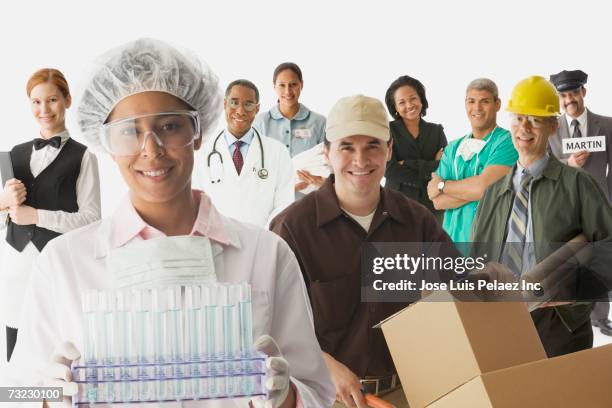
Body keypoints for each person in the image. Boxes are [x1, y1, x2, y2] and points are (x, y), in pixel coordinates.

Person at [5, 38, 335, 408]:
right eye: (129, 130)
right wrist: (48, 398)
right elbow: (13, 393)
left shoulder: (268, 254)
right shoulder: (63, 262)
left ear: (197, 133)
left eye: (169, 126)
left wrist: (286, 396)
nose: (151, 149)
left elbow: (319, 392)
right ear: (107, 141)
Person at [270, 95, 454, 408]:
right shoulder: (292, 229)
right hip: (325, 396)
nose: (361, 160)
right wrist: (325, 365)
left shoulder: (417, 221)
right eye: (347, 147)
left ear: (389, 150)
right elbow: (269, 323)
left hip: (407, 392)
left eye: (372, 145)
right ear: (327, 152)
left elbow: (458, 285)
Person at [472, 75, 612, 357]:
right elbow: (476, 257)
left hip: (560, 322)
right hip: (502, 319)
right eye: (518, 118)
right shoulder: (493, 193)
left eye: (535, 120)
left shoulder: (577, 184)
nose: (524, 128)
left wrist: (570, 291)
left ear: (552, 126)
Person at [0, 68, 100, 363]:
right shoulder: (12, 156)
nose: (44, 109)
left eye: (52, 99)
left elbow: (92, 220)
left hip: (60, 270)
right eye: (36, 101)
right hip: (15, 275)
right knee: (18, 369)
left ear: (67, 100)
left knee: (58, 361)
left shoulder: (83, 156)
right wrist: (3, 202)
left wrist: (37, 216)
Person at [548, 69, 612, 336]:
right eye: (563, 95)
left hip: (601, 205)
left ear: (583, 92)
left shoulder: (607, 124)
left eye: (573, 93)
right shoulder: (551, 128)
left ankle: (600, 318)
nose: (569, 99)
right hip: (567, 206)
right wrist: (569, 163)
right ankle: (574, 317)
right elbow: (547, 167)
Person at [427, 78, 518, 243]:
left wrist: (442, 185)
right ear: (465, 104)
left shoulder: (508, 142)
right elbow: (438, 201)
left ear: (497, 104)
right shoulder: (452, 149)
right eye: (471, 101)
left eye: (485, 101)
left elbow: (484, 188)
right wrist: (478, 190)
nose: (477, 108)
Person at [201, 79, 294, 226]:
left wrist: (261, 238)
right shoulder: (202, 153)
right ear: (224, 104)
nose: (240, 111)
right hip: (217, 243)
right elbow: (196, 205)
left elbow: (284, 205)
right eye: (234, 102)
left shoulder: (278, 152)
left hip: (262, 242)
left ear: (257, 109)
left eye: (248, 104)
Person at [253, 62, 327, 192]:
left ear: (301, 85)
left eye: (293, 84)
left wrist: (324, 183)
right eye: (282, 85)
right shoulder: (260, 123)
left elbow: (329, 164)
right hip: (273, 205)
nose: (288, 91)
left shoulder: (319, 123)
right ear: (274, 86)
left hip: (310, 204)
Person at [384, 75, 447, 224]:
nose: (409, 105)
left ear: (421, 99)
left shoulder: (436, 130)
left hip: (432, 206)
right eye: (402, 102)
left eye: (413, 98)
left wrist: (406, 164)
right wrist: (431, 165)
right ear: (395, 108)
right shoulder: (388, 131)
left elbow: (444, 167)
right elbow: (388, 170)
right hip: (397, 205)